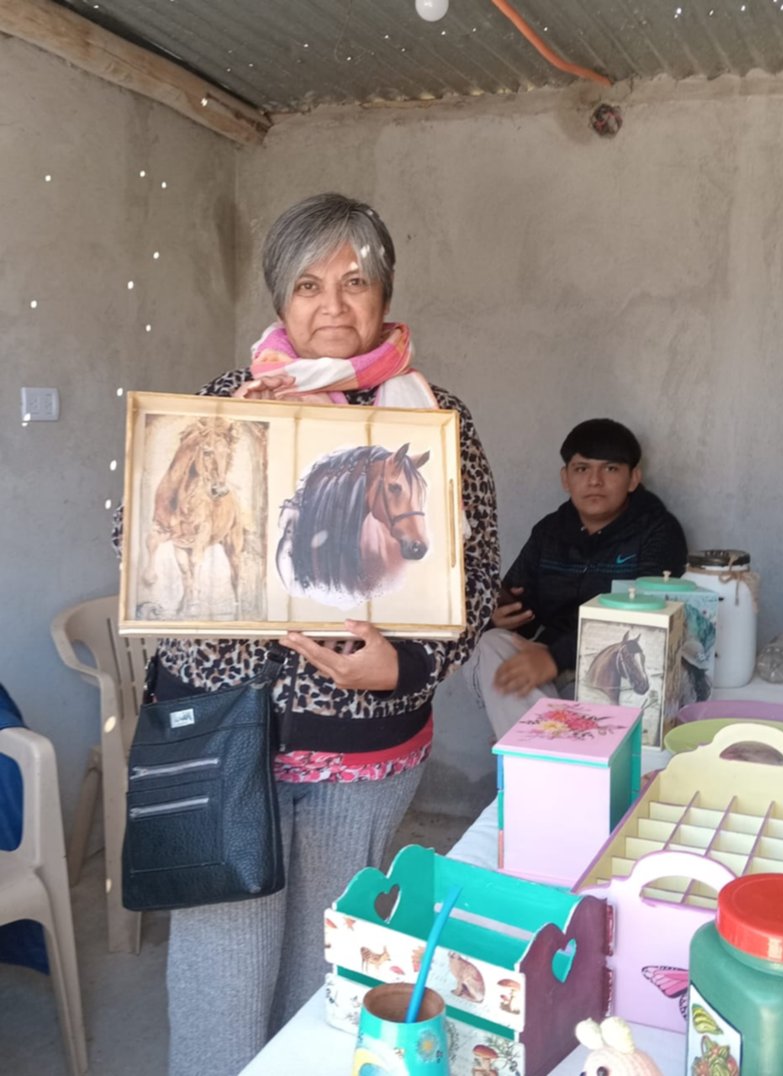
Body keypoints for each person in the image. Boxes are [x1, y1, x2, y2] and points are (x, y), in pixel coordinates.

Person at [114, 192, 498, 1076]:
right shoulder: (219, 402)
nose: (332, 304)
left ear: (384, 295)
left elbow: (474, 584)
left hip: (364, 754)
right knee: (220, 979)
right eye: (308, 283)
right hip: (223, 749)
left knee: (323, 989)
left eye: (354, 280)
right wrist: (230, 442)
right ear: (279, 302)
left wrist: (401, 665)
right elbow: (141, 550)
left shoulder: (434, 418)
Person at [463, 418, 687, 739]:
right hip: (549, 662)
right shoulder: (550, 531)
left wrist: (555, 657)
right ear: (565, 478)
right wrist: (498, 617)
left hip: (618, 668)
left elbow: (647, 618)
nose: (594, 481)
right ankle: (557, 749)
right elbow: (520, 601)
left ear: (633, 478)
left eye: (610, 469)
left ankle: (549, 752)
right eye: (582, 469)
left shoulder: (658, 531)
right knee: (488, 645)